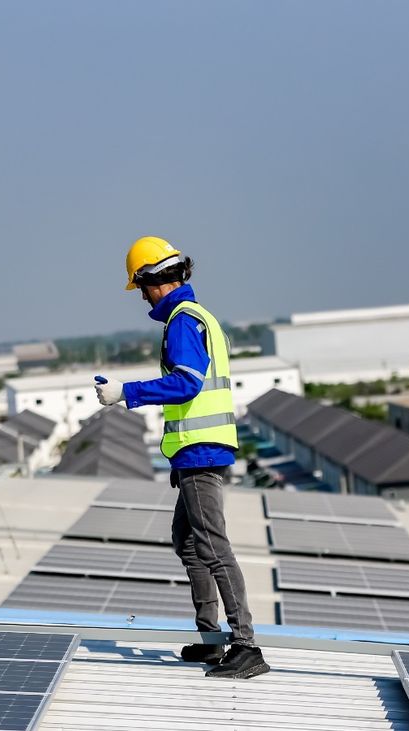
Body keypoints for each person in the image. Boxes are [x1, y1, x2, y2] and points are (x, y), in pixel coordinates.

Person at [94, 236, 270, 680]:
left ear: (154, 280)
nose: (144, 297)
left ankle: (246, 645)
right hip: (198, 450)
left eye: (143, 286)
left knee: (211, 545)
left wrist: (124, 393)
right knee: (188, 542)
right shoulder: (199, 316)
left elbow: (188, 383)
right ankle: (212, 639)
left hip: (200, 450)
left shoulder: (182, 322)